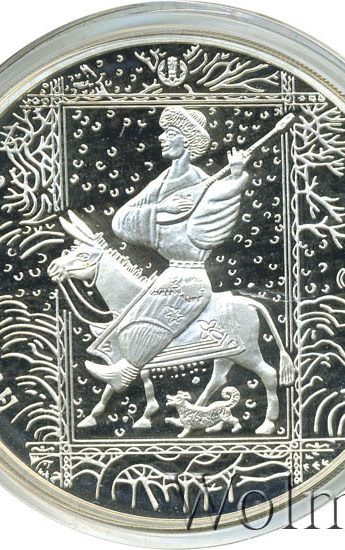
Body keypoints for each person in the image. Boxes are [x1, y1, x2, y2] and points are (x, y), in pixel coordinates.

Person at [85, 106, 251, 392]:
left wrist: (236, 178)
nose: (161, 138)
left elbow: (206, 229)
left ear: (186, 140)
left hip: (189, 278)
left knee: (151, 325)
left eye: (170, 133)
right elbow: (121, 223)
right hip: (171, 275)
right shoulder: (161, 182)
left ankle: (126, 372)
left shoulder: (204, 184)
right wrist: (163, 210)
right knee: (132, 316)